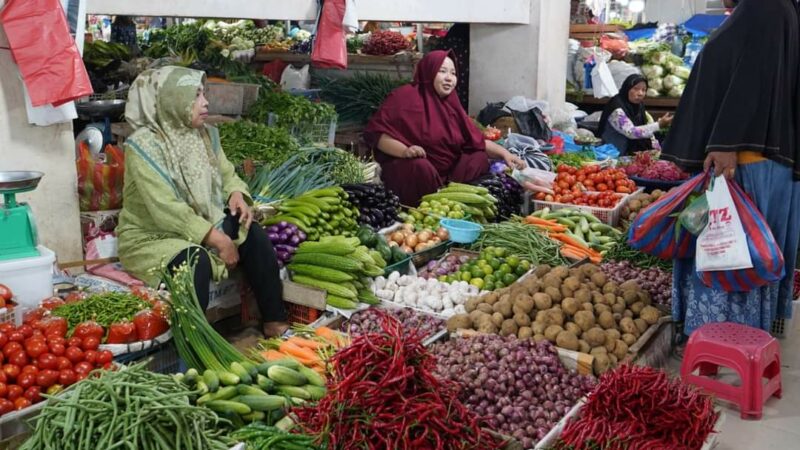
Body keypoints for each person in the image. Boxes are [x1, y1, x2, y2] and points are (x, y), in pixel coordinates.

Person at [661, 0, 800, 337]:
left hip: (747, 162)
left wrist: (726, 141)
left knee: (729, 252)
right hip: (763, 160)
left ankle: (724, 338)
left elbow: (753, 75)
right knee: (745, 250)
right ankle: (747, 334)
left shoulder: (763, 7)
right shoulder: (776, 8)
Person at [117, 66, 289, 337]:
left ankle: (275, 322)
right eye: (195, 95)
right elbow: (165, 209)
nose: (205, 102)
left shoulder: (205, 135)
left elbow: (227, 173)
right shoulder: (143, 146)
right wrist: (219, 240)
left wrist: (236, 193)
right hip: (153, 236)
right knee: (193, 263)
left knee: (253, 235)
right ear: (174, 101)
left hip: (203, 223)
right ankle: (196, 351)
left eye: (203, 93)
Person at [363, 50, 525, 206]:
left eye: (453, 73)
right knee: (419, 166)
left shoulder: (451, 103)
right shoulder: (404, 98)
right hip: (415, 172)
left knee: (477, 157)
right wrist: (405, 151)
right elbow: (378, 136)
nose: (449, 78)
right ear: (428, 71)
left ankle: (451, 199)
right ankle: (421, 206)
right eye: (442, 71)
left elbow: (475, 140)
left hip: (448, 174)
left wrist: (505, 154)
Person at [597, 74, 673, 155]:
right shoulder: (616, 108)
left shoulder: (638, 105)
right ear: (627, 89)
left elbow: (645, 126)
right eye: (636, 89)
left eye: (644, 90)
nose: (640, 93)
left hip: (630, 152)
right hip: (613, 154)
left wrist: (656, 148)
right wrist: (658, 125)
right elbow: (631, 132)